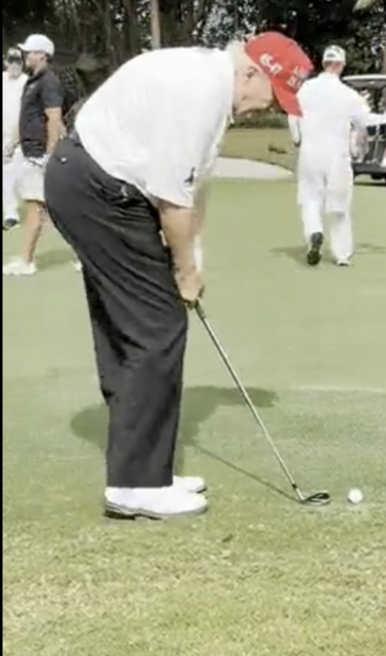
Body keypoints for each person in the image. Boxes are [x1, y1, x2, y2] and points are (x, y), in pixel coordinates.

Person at [43, 33, 312, 520]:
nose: (267, 108)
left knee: (135, 328)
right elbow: (172, 200)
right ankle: (136, 484)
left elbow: (193, 187)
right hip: (96, 190)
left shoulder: (213, 87)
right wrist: (184, 272)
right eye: (272, 96)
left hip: (93, 185)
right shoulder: (201, 92)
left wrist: (192, 256)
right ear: (251, 72)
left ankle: (144, 471)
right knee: (157, 326)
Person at [288, 45, 386, 267]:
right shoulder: (347, 94)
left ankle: (314, 233)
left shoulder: (305, 89)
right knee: (339, 207)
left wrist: (297, 137)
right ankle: (341, 254)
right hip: (337, 156)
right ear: (341, 65)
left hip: (309, 153)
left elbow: (293, 113)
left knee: (310, 199)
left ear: (324, 63)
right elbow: (367, 120)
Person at [3, 34, 65, 275]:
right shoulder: (33, 81)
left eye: (29, 52)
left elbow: (54, 118)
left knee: (34, 206)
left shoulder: (48, 81)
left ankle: (26, 261)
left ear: (41, 55)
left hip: (40, 154)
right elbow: (27, 117)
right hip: (30, 151)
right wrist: (13, 143)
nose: (26, 56)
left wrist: (49, 154)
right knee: (45, 207)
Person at [2, 47, 28, 230]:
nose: (14, 65)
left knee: (23, 173)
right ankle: (11, 213)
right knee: (5, 174)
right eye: (11, 61)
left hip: (22, 134)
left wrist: (15, 139)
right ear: (6, 62)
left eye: (17, 62)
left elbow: (26, 113)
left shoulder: (26, 83)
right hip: (4, 134)